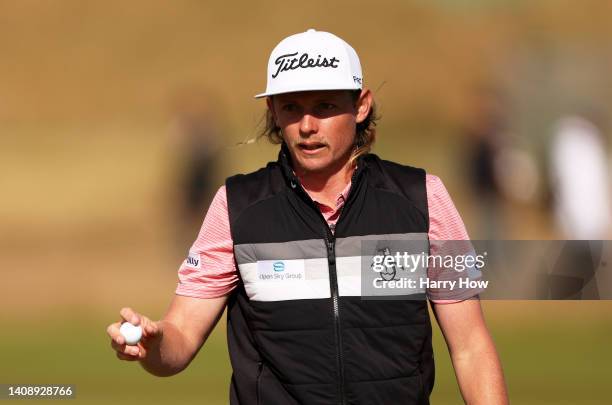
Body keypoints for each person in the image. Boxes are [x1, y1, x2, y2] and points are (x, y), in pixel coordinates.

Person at [107, 29, 508, 404]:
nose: (307, 126)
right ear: (273, 112)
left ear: (362, 105)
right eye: (292, 108)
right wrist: (153, 345)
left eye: (326, 106)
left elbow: (471, 345)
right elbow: (180, 341)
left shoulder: (422, 198)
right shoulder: (236, 206)